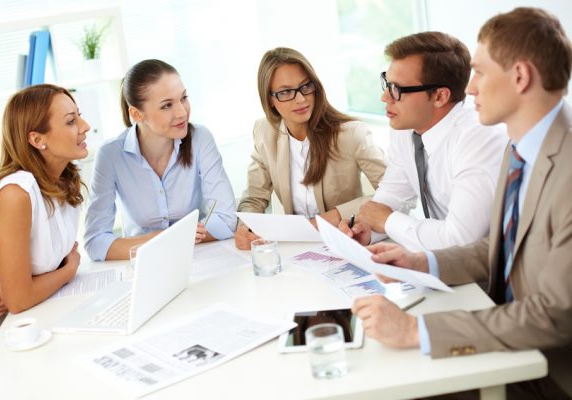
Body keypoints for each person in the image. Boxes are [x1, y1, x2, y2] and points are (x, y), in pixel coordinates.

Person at [352, 8, 572, 399]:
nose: (469, 89)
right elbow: (501, 244)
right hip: (507, 337)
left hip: (550, 371)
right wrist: (424, 262)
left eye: (480, 73)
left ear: (520, 77)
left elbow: (553, 315)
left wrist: (413, 331)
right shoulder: (521, 148)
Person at [341, 32, 507, 251]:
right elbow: (393, 195)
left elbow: (461, 239)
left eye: (397, 89)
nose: (385, 98)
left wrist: (387, 221)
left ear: (440, 96)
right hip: (441, 263)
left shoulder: (479, 137)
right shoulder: (405, 126)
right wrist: (368, 229)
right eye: (386, 83)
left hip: (490, 270)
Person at [0, 84, 89, 368]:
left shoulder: (62, 182)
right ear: (37, 139)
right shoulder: (16, 194)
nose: (85, 127)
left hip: (28, 318)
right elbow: (18, 298)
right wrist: (69, 269)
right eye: (71, 121)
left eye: (79, 116)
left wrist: (25, 286)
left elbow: (34, 280)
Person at [84, 59, 237, 261]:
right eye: (167, 106)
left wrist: (176, 239)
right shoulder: (111, 155)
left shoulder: (200, 138)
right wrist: (168, 238)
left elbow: (226, 220)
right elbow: (96, 242)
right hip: (144, 263)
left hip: (197, 258)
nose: (182, 112)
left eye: (184, 98)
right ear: (137, 114)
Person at [235, 47, 387, 250]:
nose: (301, 99)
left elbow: (393, 194)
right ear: (270, 100)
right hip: (297, 248)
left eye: (306, 86)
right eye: (286, 92)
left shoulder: (351, 134)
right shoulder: (264, 131)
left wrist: (334, 216)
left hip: (347, 243)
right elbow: (254, 197)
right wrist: (246, 226)